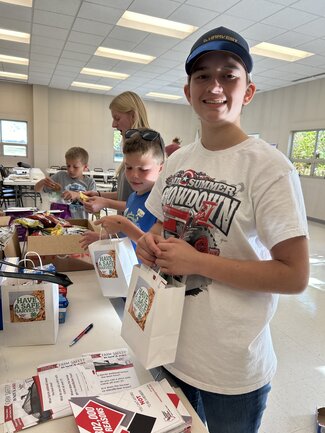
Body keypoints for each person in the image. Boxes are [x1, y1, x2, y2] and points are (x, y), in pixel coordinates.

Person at [136, 26, 309, 433]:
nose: (214, 86)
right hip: (168, 346)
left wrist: (198, 261)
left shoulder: (268, 168)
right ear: (188, 90)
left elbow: (295, 274)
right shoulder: (178, 161)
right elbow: (161, 226)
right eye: (202, 76)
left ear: (248, 91)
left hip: (231, 368)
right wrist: (149, 243)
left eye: (229, 74)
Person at [80, 128, 165, 250]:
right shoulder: (132, 197)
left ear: (161, 169)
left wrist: (123, 224)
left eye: (143, 169)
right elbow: (124, 236)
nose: (134, 175)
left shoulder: (160, 202)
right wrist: (102, 237)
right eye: (129, 168)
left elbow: (153, 247)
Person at [83, 91, 150, 215]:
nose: (113, 124)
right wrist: (99, 194)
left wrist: (106, 203)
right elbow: (130, 196)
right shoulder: (133, 145)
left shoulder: (148, 144)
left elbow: (144, 204)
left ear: (133, 116)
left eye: (117, 118)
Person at [35, 146, 96, 219]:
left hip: (80, 222)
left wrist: (78, 195)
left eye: (75, 167)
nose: (70, 169)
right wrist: (43, 182)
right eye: (68, 165)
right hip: (59, 222)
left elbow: (93, 206)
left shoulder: (89, 182)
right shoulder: (60, 176)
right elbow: (37, 189)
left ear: (85, 167)